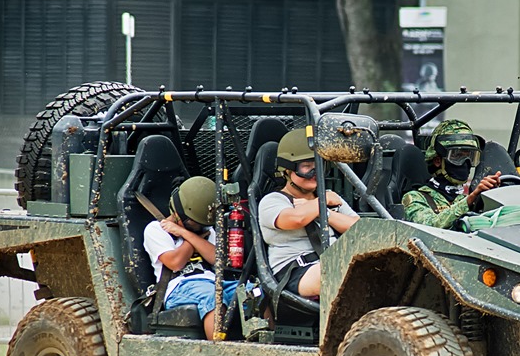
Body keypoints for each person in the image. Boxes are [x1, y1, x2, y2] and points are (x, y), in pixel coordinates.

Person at [258, 128, 359, 298]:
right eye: (306, 167)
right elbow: (296, 219)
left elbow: (359, 228)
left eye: (318, 166)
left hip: (332, 262)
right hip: (295, 271)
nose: (314, 174)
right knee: (339, 272)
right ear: (288, 170)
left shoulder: (328, 198)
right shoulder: (273, 201)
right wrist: (320, 204)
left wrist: (324, 212)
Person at [143, 175, 240, 340]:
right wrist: (194, 239)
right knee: (213, 296)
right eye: (194, 224)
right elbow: (175, 262)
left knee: (252, 290)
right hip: (179, 287)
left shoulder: (202, 228)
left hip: (211, 281)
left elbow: (218, 260)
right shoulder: (156, 230)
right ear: (179, 215)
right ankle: (219, 353)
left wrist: (185, 233)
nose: (200, 227)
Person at [402, 119, 501, 229]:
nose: (465, 162)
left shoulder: (469, 200)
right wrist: (469, 200)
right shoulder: (415, 198)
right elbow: (428, 226)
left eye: (470, 157)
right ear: (437, 161)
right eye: (457, 156)